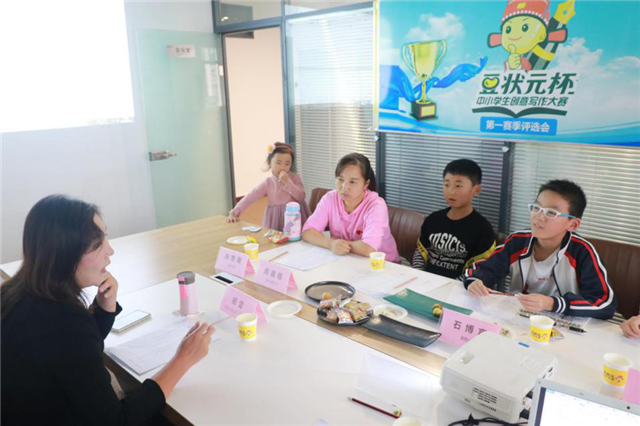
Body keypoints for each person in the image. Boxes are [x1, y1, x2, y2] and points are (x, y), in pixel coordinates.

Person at [1, 195, 215, 425]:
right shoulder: (64, 323)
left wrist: (103, 308)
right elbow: (117, 421)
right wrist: (182, 360)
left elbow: (74, 355)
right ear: (64, 255)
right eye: (97, 245)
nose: (110, 251)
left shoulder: (14, 294)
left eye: (105, 237)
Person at [464, 179, 617, 319]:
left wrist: (552, 303)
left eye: (551, 212)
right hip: (518, 317)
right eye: (537, 207)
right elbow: (482, 269)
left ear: (573, 224)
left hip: (563, 325)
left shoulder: (582, 252)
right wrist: (475, 281)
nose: (539, 217)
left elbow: (604, 304)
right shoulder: (518, 241)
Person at [302, 152, 400, 263]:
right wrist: (331, 244)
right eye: (340, 180)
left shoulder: (376, 205)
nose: (344, 187)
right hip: (348, 261)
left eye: (352, 182)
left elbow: (368, 248)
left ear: (366, 184)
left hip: (382, 266)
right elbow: (308, 231)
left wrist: (339, 245)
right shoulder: (330, 198)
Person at [411, 159, 496, 279]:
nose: (451, 191)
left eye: (458, 186)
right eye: (447, 184)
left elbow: (479, 268)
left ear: (476, 189)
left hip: (459, 286)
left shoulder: (482, 228)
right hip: (426, 282)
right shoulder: (433, 219)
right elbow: (420, 253)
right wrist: (418, 275)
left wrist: (454, 285)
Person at [226, 142, 311, 231]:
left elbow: (301, 197)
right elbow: (251, 196)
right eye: (278, 163)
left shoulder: (295, 178)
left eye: (287, 164)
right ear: (270, 162)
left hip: (295, 218)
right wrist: (234, 213)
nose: (282, 167)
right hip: (276, 220)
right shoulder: (268, 183)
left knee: (297, 237)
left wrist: (288, 182)